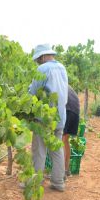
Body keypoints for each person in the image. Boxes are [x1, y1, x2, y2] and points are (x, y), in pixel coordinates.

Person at [29, 44, 68, 191]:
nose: (38, 62)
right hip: (60, 116)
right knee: (56, 148)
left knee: (39, 150)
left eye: (38, 59)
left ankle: (35, 182)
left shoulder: (42, 69)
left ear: (43, 56)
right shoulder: (62, 68)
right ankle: (58, 183)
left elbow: (32, 93)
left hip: (44, 117)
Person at [63, 86, 80, 178]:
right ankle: (66, 169)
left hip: (67, 110)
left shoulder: (54, 84)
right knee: (65, 140)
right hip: (75, 112)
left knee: (61, 140)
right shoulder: (68, 87)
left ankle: (61, 172)